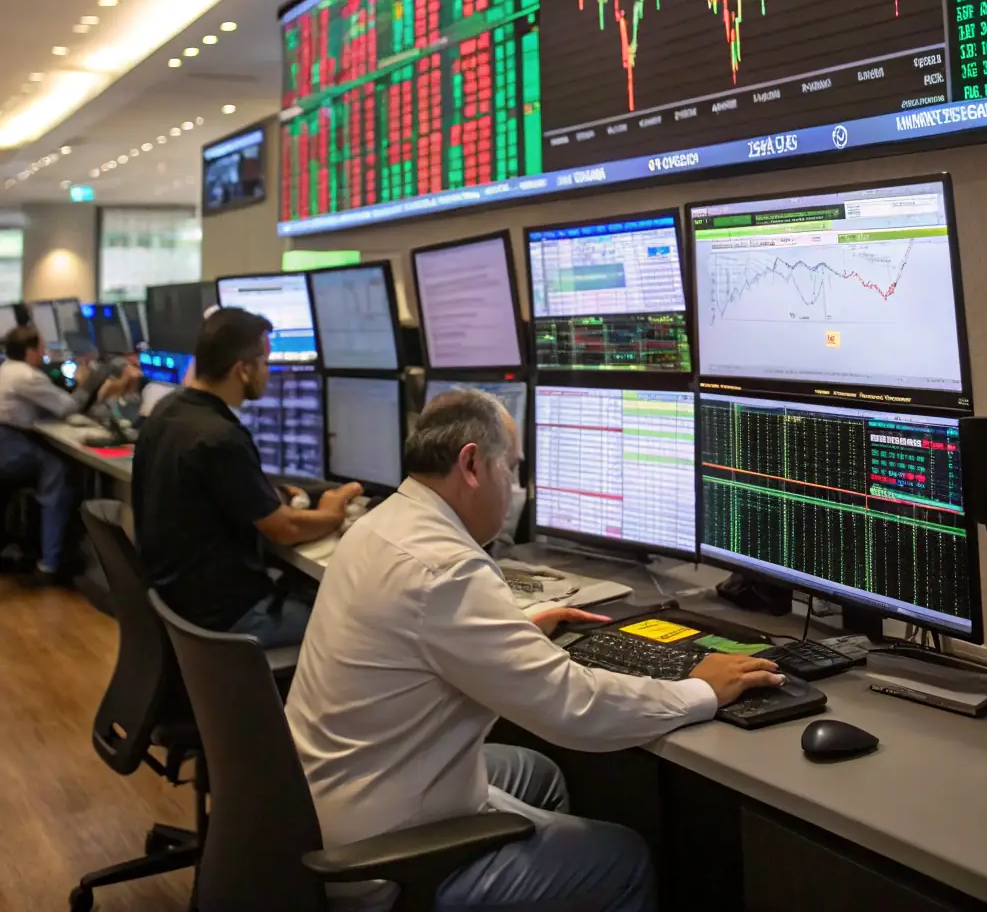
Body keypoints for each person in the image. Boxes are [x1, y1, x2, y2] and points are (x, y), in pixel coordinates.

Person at [286, 388, 783, 912]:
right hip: (381, 860)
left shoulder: (382, 526)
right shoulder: (446, 569)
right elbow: (576, 709)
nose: (516, 487)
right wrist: (701, 690)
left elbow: (420, 633)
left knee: (534, 773)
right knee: (623, 857)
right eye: (513, 468)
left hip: (326, 803)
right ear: (472, 464)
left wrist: (513, 629)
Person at [131, 306, 362, 648]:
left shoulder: (167, 412)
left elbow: (206, 493)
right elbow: (285, 529)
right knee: (363, 619)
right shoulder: (221, 435)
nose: (268, 372)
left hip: (179, 606)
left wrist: (261, 490)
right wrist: (333, 511)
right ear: (243, 370)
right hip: (229, 618)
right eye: (266, 363)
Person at [0, 325, 135, 578]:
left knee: (53, 461)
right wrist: (92, 379)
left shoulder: (7, 369)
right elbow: (68, 407)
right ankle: (50, 563)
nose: (45, 352)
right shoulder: (28, 376)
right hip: (11, 445)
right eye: (41, 347)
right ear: (30, 351)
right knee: (58, 470)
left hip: (8, 440)